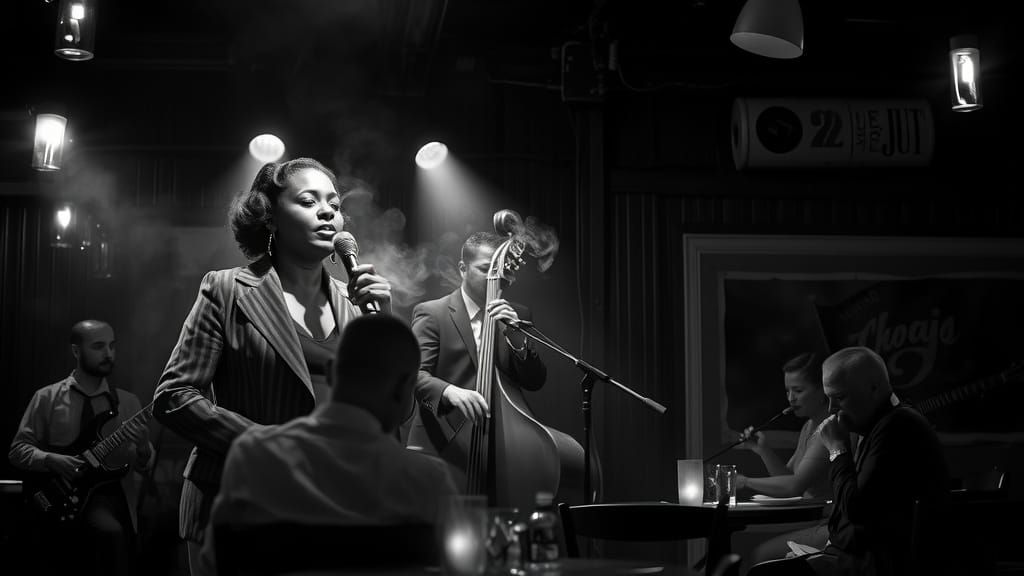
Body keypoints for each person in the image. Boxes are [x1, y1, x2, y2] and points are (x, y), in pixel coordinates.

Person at [153, 157, 393, 575]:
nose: (327, 212)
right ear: (270, 217)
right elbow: (173, 396)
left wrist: (386, 331)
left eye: (334, 205)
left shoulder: (358, 306)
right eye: (308, 200)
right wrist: (274, 445)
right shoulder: (226, 289)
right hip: (236, 506)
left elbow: (390, 418)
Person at [199, 314, 457, 572]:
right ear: (404, 388)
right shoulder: (428, 483)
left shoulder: (253, 456)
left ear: (332, 371)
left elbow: (216, 564)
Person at [9, 320, 153, 576]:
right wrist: (52, 459)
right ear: (76, 351)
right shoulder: (47, 398)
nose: (108, 353)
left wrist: (143, 448)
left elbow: (145, 467)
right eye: (98, 346)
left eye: (112, 346)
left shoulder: (128, 403)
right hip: (55, 513)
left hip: (112, 510)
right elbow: (18, 450)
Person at [805, 346, 949, 576]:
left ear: (873, 388)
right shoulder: (877, 425)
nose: (831, 409)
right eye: (829, 398)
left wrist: (837, 449)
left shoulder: (897, 427)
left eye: (840, 397)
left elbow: (857, 509)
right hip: (858, 558)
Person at [407, 232, 546, 461]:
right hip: (440, 441)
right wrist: (449, 391)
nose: (494, 278)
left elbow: (535, 381)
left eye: (498, 271)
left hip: (500, 445)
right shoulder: (432, 313)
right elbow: (414, 375)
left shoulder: (518, 315)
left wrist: (517, 338)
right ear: (463, 268)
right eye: (484, 269)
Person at [736, 353, 833, 565]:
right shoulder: (809, 427)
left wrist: (745, 482)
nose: (791, 398)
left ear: (823, 390)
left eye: (798, 390)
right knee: (745, 545)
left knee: (760, 554)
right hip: (812, 521)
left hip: (832, 525)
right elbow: (787, 478)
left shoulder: (830, 427)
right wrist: (763, 450)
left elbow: (793, 487)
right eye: (788, 391)